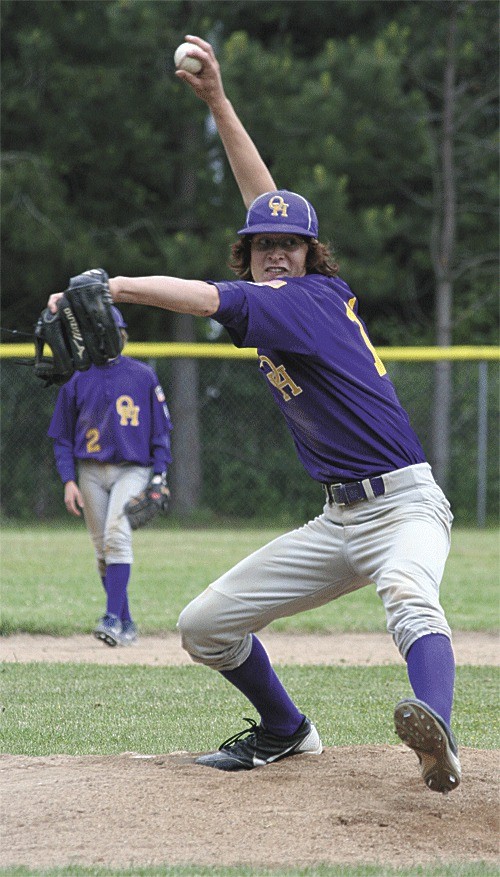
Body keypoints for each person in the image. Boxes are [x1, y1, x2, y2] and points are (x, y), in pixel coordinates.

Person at [47, 36, 461, 793]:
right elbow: (265, 196)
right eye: (263, 244)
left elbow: (209, 296)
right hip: (337, 520)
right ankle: (285, 729)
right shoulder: (292, 292)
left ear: (310, 257)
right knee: (205, 624)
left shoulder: (300, 301)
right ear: (253, 250)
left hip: (403, 504)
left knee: (408, 591)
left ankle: (436, 732)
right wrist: (218, 104)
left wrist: (120, 286)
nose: (276, 252)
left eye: (290, 245)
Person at [47, 306, 172, 647]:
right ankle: (126, 624)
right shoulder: (77, 378)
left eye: (111, 332)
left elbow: (161, 432)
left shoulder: (143, 375)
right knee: (102, 550)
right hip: (89, 471)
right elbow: (61, 437)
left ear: (121, 335)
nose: (106, 338)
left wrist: (160, 475)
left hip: (133, 469)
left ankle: (112, 618)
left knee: (117, 537)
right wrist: (68, 480)